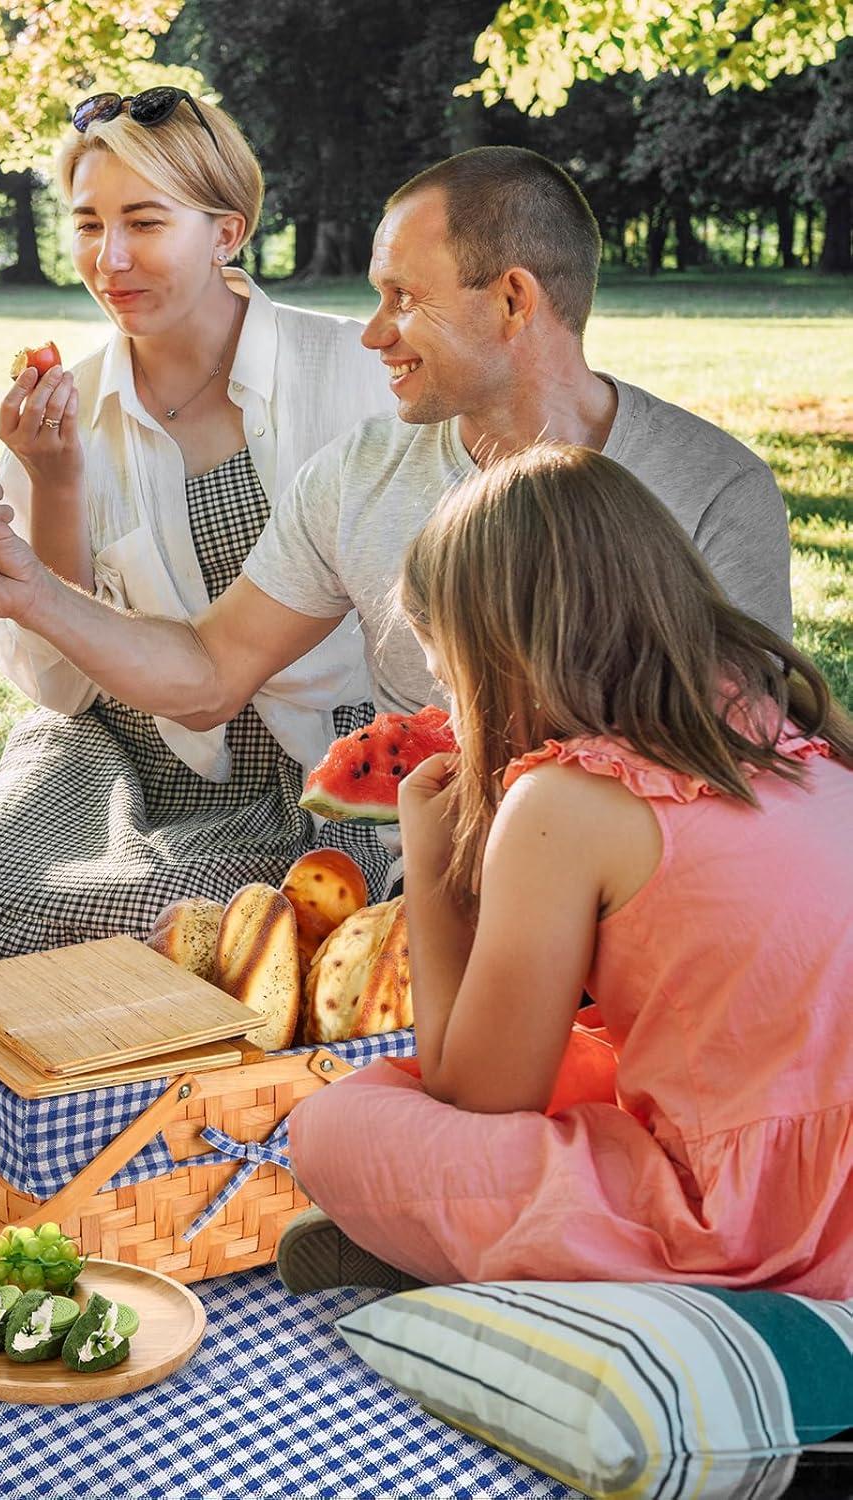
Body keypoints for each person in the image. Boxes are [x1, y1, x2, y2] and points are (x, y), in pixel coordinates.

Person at [0, 147, 794, 798]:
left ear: (514, 301)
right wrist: (29, 590)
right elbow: (206, 677)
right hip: (425, 874)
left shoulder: (715, 488)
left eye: (404, 299)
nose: (373, 333)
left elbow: (751, 765)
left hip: (653, 884)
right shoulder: (360, 475)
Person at [278, 445, 853, 1298]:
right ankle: (500, 1242)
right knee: (586, 1060)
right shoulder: (788, 721)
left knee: (333, 1126)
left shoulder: (561, 801)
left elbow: (479, 1099)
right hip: (821, 1172)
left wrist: (430, 869)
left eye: (451, 676)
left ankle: (524, 1258)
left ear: (498, 659)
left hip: (753, 1228)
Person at [0, 90, 393, 975]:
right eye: (88, 224)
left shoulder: (354, 375)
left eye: (144, 223)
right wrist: (56, 488)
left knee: (264, 938)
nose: (110, 260)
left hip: (316, 778)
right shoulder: (63, 415)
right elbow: (61, 689)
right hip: (117, 756)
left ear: (226, 232)